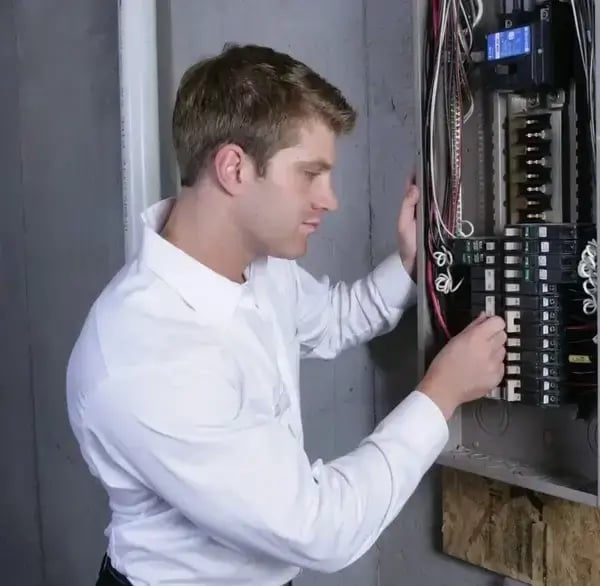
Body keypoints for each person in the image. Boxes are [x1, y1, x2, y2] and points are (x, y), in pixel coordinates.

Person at [67, 43, 506, 586]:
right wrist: (441, 393)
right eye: (310, 174)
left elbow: (334, 320)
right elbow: (319, 528)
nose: (331, 200)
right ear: (233, 168)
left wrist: (410, 266)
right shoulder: (145, 357)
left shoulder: (259, 266)